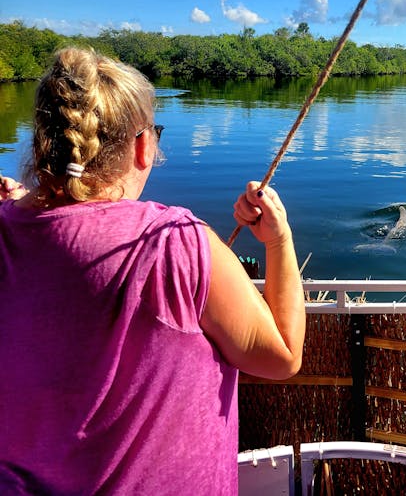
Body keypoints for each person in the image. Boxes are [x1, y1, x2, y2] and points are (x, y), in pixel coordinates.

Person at [0, 48, 306, 495]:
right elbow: (281, 356)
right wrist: (279, 241)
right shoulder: (175, 242)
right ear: (143, 146)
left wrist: (20, 203)